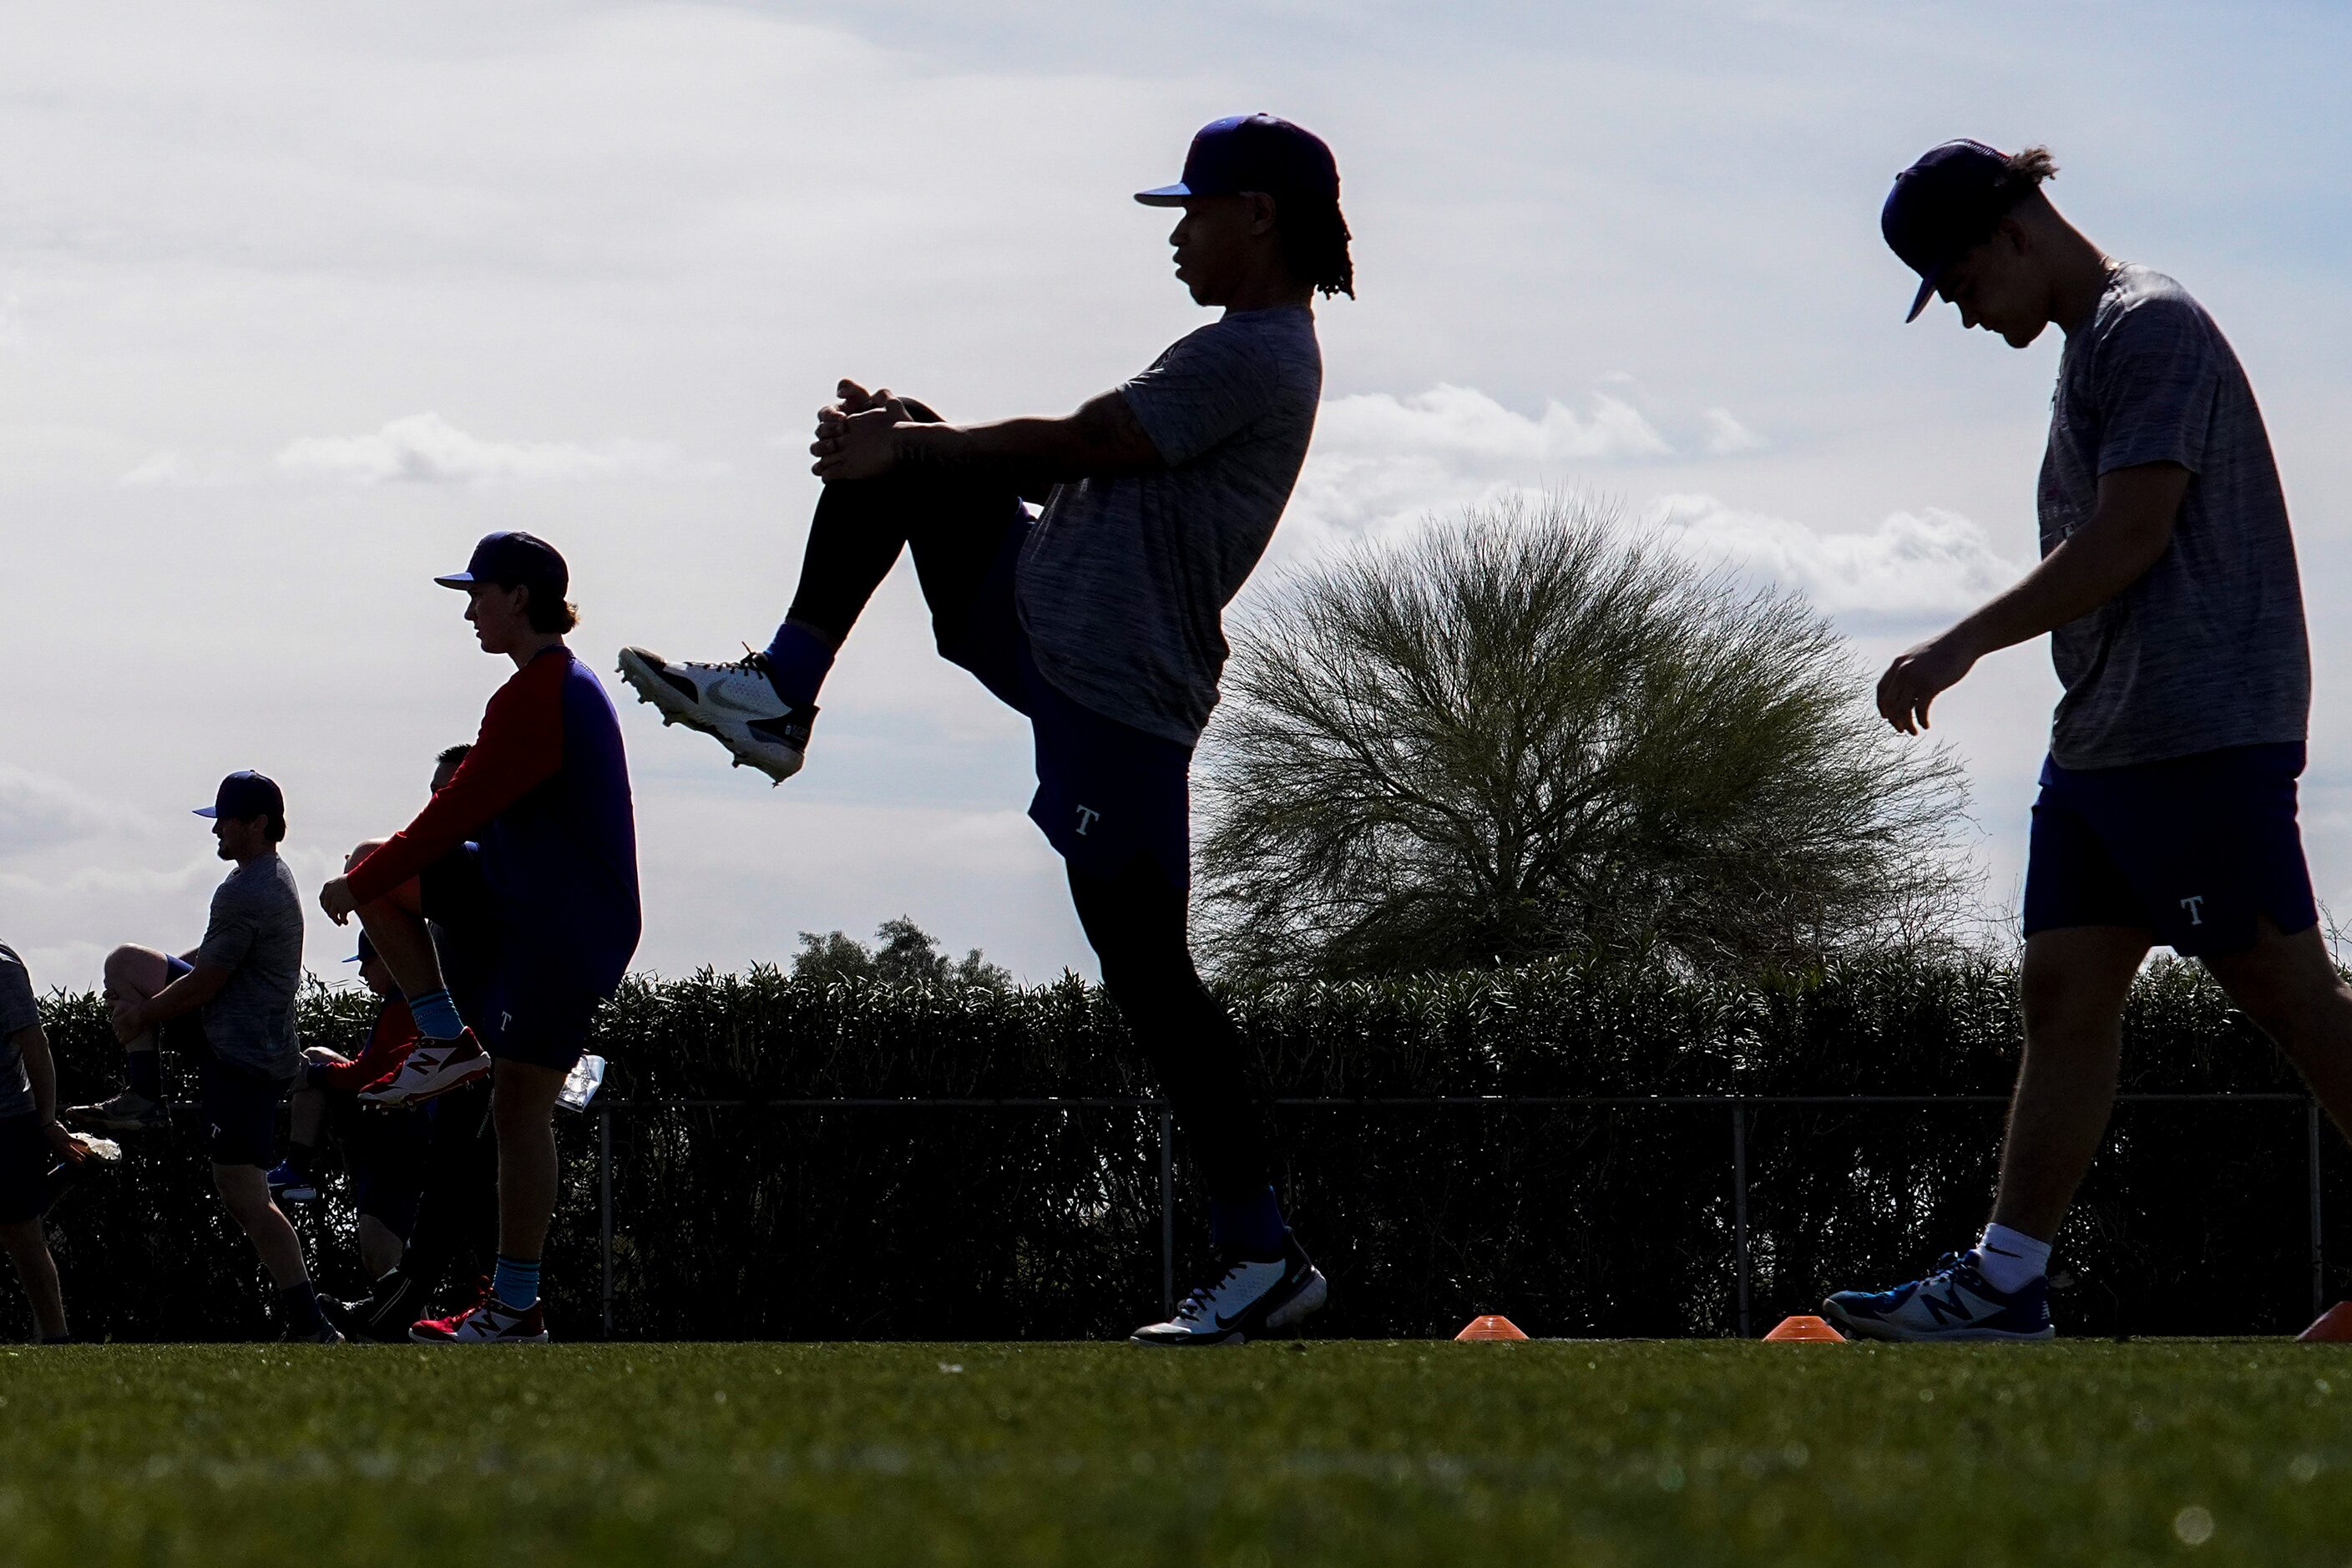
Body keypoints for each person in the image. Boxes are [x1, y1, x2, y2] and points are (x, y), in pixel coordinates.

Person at [615, 113, 1349, 1346]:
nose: (1176, 236)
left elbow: (1078, 443)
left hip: (1116, 686)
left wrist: (910, 449)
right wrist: (906, 445)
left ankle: (1264, 1255)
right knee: (900, 438)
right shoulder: (1231, 345)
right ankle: (781, 693)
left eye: (1191, 211)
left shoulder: (1260, 354)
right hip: (1044, 616)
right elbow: (1072, 474)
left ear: (1257, 215)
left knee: (1152, 980)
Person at [1823, 140, 2336, 1341]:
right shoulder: (2091, 347)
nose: (1960, 316)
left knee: (2293, 1004)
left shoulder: (2145, 325)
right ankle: (2004, 1285)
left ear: (2012, 232)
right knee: (2062, 995)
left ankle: (2003, 1282)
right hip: (2106, 741)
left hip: (2195, 733)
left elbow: (2128, 537)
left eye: (1955, 286)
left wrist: (1958, 644)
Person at [320, 532, 640, 1344]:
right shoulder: (549, 687)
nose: (469, 610)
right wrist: (371, 878)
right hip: (528, 908)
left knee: (521, 1109)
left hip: (558, 928)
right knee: (376, 869)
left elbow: (453, 814)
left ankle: (515, 1309)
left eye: (479, 593)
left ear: (520, 598)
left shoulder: (542, 691)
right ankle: (443, 1041)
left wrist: (358, 888)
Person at [68, 771, 341, 1342]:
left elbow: (210, 981)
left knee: (246, 1197)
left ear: (257, 824)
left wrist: (143, 1014)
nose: (215, 829)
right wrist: (151, 984)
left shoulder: (246, 889)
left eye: (224, 819)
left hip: (242, 1052)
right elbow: (211, 958)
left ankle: (312, 1326)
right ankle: (144, 1095)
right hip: (236, 1035)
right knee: (127, 965)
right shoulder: (264, 878)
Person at [0, 943, 81, 1342]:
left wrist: (47, 1121)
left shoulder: (3, 969)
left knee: (22, 1233)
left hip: (6, 1119)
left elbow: (35, 1045)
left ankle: (56, 1338)